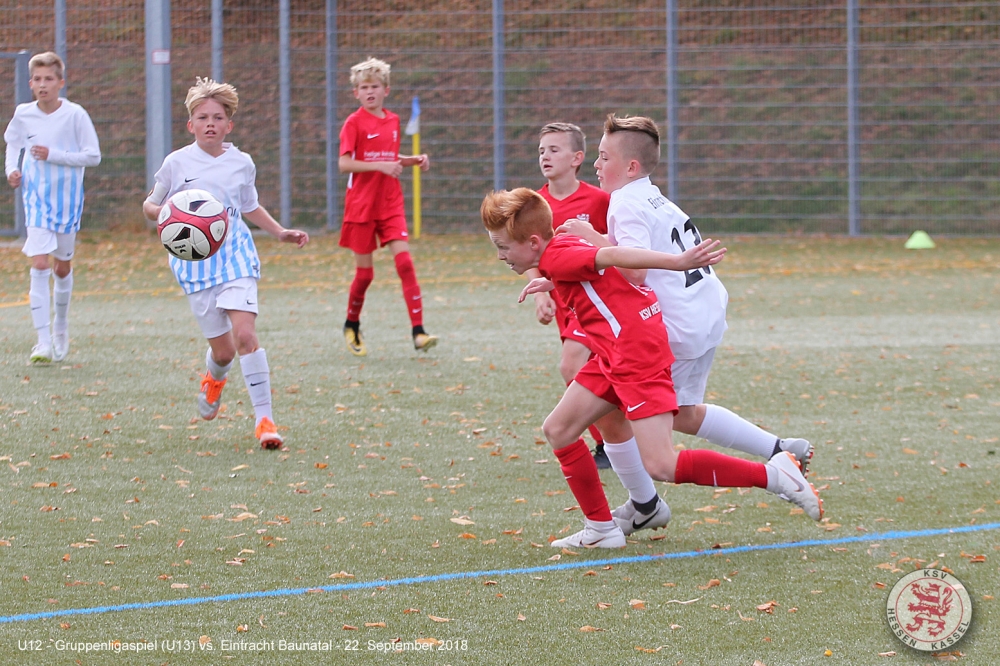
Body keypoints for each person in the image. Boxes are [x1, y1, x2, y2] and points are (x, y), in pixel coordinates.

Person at [482, 188, 822, 548]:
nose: (500, 255)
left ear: (534, 243)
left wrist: (677, 261)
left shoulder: (561, 255)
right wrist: (552, 280)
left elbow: (613, 255)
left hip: (634, 354)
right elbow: (594, 270)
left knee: (662, 464)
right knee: (559, 429)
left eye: (503, 247)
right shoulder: (560, 250)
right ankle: (603, 528)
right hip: (615, 351)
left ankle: (775, 475)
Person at [559, 114, 814, 531]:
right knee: (675, 411)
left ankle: (650, 504)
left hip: (673, 328)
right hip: (704, 314)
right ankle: (780, 448)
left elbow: (634, 272)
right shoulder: (654, 197)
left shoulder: (625, 202)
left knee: (633, 422)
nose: (596, 165)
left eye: (604, 157)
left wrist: (592, 240)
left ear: (631, 167)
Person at [142, 77, 309, 450]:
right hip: (194, 262)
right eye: (203, 118)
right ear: (191, 125)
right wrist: (166, 212)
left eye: (217, 118)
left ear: (229, 125)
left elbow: (249, 206)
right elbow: (150, 205)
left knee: (246, 336)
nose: (210, 124)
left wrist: (279, 232)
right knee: (224, 352)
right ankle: (214, 379)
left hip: (235, 254)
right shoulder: (176, 163)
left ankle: (265, 421)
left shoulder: (241, 163)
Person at [4, 52, 100, 364]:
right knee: (40, 264)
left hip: (68, 201)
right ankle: (42, 341)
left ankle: (60, 325)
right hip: (36, 200)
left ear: (61, 82)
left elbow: (93, 156)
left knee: (61, 268)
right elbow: (13, 144)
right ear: (31, 83)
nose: (43, 85)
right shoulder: (23, 114)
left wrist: (53, 155)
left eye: (49, 79)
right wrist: (12, 170)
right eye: (37, 79)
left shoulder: (75, 115)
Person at [338, 57, 435, 356]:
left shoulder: (392, 120)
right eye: (364, 87)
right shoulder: (353, 123)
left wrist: (412, 160)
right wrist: (381, 166)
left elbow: (389, 157)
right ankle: (351, 324)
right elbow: (345, 163)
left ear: (386, 90)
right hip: (361, 206)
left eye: (375, 86)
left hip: (390, 203)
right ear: (356, 92)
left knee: (405, 263)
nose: (370, 92)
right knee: (365, 275)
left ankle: (418, 332)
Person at [532, 123, 612, 469]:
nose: (545, 156)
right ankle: (617, 441)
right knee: (593, 372)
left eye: (554, 149)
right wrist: (540, 294)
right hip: (565, 303)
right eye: (541, 151)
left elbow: (615, 246)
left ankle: (609, 445)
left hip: (597, 299)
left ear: (577, 158)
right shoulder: (535, 205)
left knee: (572, 365)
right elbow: (529, 255)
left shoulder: (599, 200)